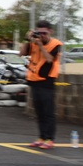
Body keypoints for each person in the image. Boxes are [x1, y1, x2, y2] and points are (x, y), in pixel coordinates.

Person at [21, 20, 63, 150]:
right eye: (39, 33)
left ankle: (50, 138)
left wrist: (40, 45)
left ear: (50, 31)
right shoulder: (33, 43)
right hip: (34, 80)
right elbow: (21, 53)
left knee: (48, 111)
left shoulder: (56, 44)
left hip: (47, 81)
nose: (42, 35)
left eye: (44, 33)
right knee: (39, 111)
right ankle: (42, 136)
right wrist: (28, 40)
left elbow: (49, 59)